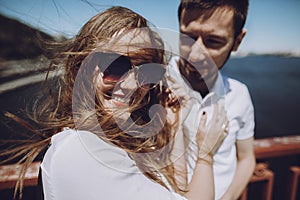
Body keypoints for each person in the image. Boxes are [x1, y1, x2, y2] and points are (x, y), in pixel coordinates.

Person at [0, 6, 228, 200]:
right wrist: (205, 154)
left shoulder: (112, 144)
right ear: (82, 66)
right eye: (116, 65)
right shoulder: (81, 152)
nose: (130, 86)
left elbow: (176, 194)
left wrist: (175, 129)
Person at [167, 0, 256, 199]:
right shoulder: (150, 87)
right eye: (188, 37)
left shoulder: (239, 94)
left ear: (237, 41)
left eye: (213, 41)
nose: (196, 54)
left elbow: (246, 158)